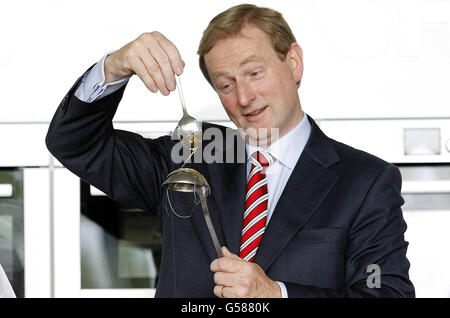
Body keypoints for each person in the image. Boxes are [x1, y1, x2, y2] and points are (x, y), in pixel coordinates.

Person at [46, 4, 415, 298]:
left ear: (294, 62)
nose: (243, 98)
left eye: (254, 73)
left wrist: (277, 294)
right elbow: (74, 142)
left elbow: (385, 292)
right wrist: (113, 68)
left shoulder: (364, 181)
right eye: (225, 84)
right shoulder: (192, 155)